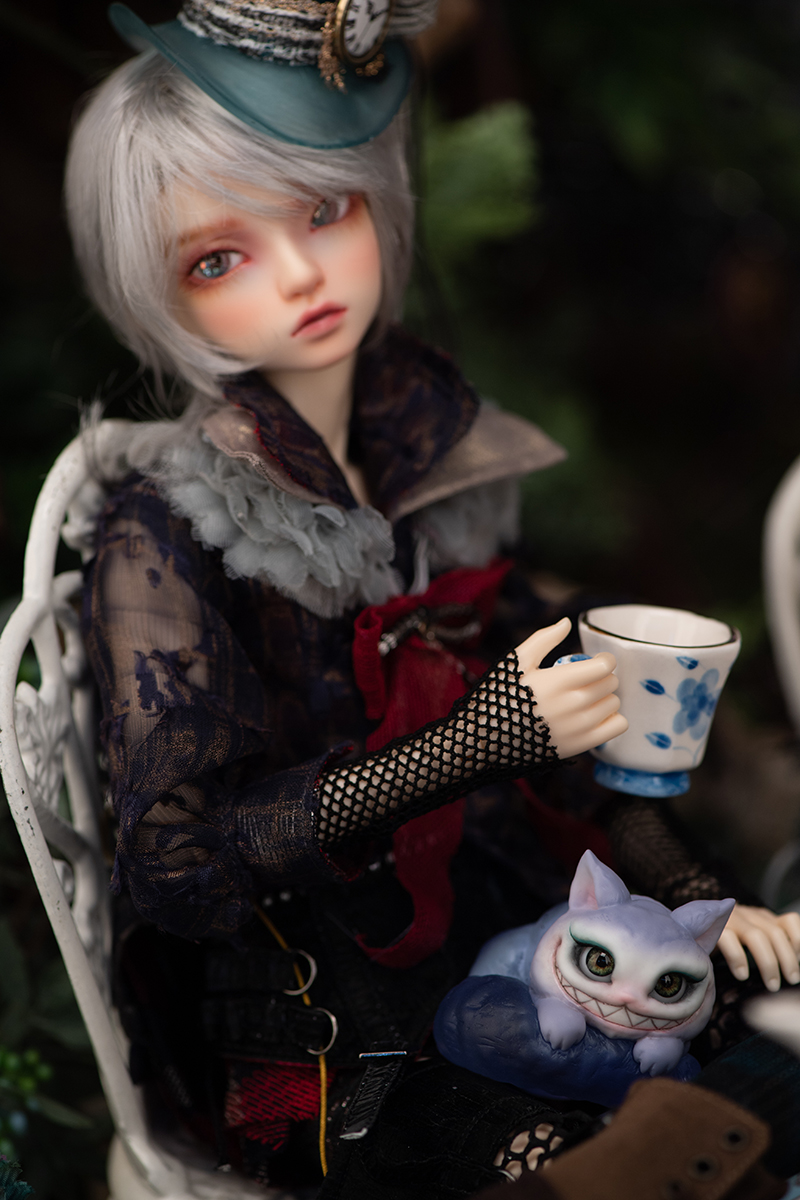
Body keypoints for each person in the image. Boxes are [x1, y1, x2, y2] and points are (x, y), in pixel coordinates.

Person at [62, 2, 800, 1194]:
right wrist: (463, 747)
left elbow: (576, 770)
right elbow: (181, 863)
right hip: (333, 1009)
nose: (301, 274)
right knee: (542, 1140)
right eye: (218, 258)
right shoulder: (169, 531)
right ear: (160, 296)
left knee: (753, 1045)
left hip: (531, 929)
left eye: (322, 210)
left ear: (377, 199)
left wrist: (698, 901)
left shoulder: (425, 447)